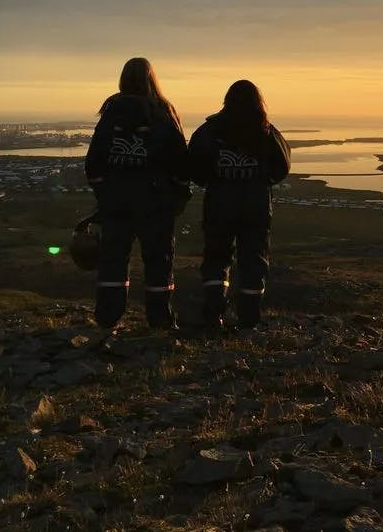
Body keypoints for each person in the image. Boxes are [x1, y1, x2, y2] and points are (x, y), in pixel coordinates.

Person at [84, 57, 190, 331]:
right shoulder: (163, 112)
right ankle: (160, 319)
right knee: (158, 260)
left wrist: (104, 192)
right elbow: (180, 158)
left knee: (113, 259)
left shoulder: (112, 112)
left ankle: (108, 318)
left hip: (116, 201)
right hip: (155, 202)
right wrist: (177, 195)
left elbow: (95, 160)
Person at [188, 80, 291, 330]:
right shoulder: (266, 130)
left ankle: (213, 315)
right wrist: (261, 180)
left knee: (216, 257)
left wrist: (212, 180)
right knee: (254, 258)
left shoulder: (211, 129)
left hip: (219, 203)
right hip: (255, 205)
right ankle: (249, 319)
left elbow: (192, 163)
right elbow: (283, 165)